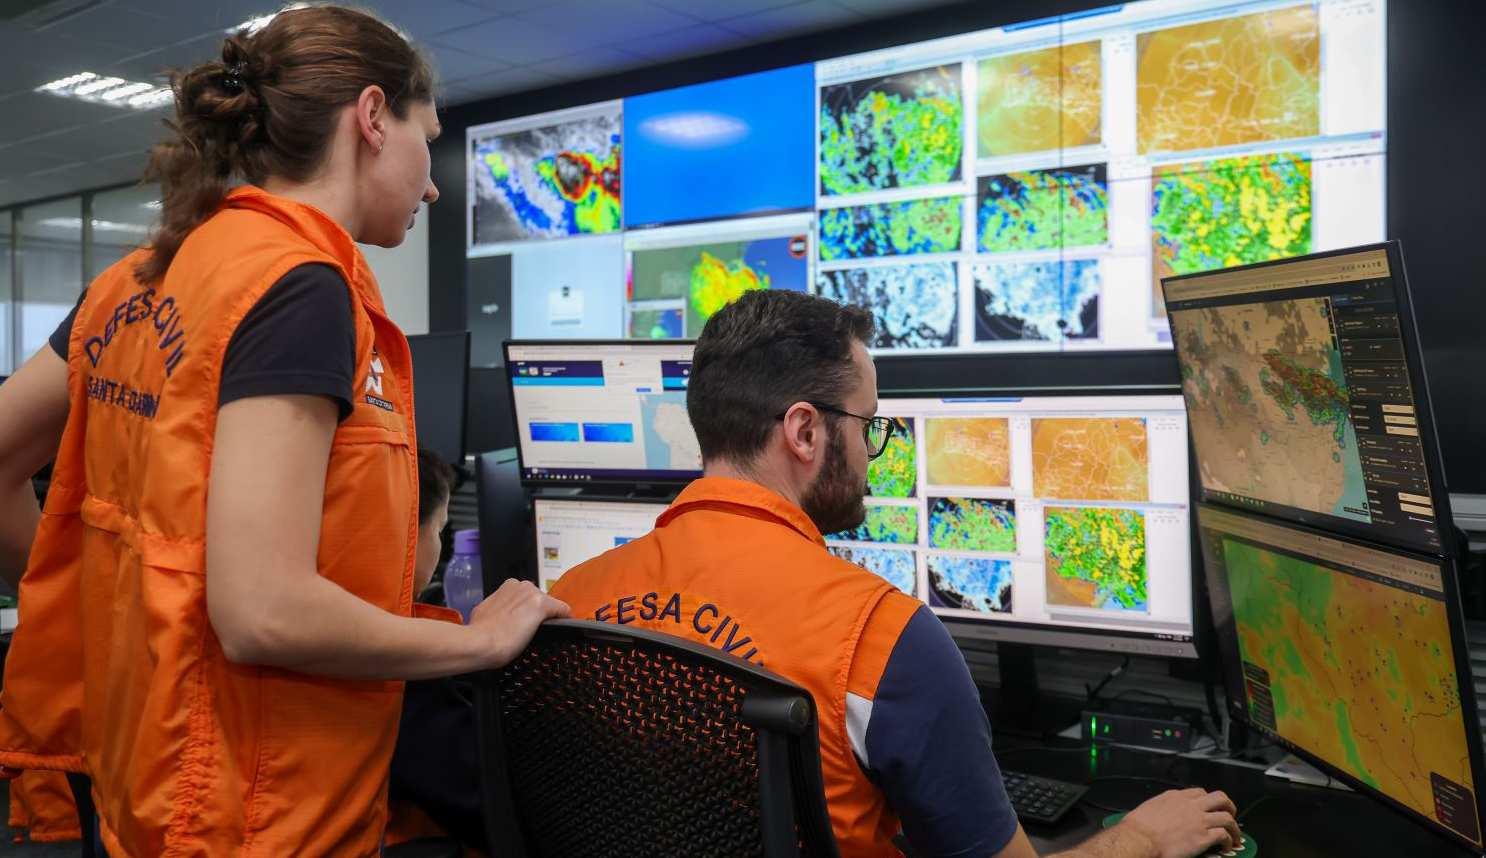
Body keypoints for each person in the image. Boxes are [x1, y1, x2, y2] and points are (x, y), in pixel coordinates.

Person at [0, 6, 566, 856]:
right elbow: (262, 611)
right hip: (257, 811)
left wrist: (127, 610)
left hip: (143, 778)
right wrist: (477, 641)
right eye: (427, 140)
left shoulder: (136, 279)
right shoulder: (299, 286)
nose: (434, 184)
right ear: (372, 117)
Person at [550, 290, 1241, 858]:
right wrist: (1143, 840)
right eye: (868, 425)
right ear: (805, 432)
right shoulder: (881, 638)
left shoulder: (569, 600)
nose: (871, 453)